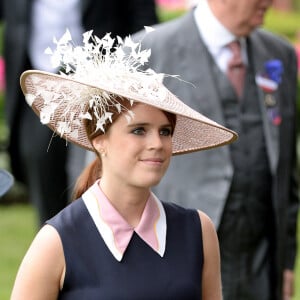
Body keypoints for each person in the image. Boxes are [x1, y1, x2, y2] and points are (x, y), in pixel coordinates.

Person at [10, 30, 237, 299]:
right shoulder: (58, 241)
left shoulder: (198, 230)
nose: (157, 143)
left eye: (165, 131)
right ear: (99, 140)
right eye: (139, 130)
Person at [132, 1, 299, 299]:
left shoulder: (279, 54)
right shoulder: (147, 52)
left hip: (261, 262)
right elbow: (104, 168)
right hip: (177, 260)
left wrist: (285, 264)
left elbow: (288, 170)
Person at [0, 0, 158, 226]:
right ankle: (55, 256)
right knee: (45, 188)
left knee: (100, 187)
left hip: (103, 91)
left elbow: (144, 22)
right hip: (37, 91)